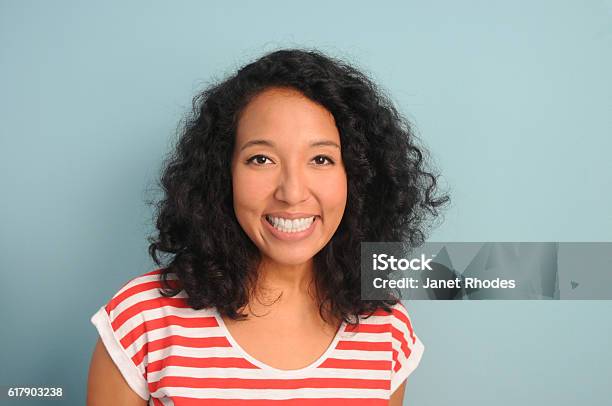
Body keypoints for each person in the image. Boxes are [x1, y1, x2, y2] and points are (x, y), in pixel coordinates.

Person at [87, 48, 448, 405]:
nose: (291, 193)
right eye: (261, 159)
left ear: (358, 177)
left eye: (321, 159)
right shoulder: (144, 317)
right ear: (222, 174)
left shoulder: (386, 326)